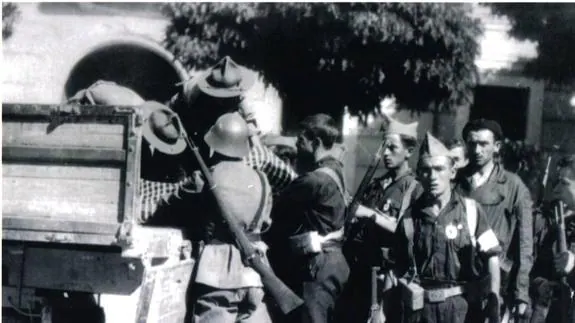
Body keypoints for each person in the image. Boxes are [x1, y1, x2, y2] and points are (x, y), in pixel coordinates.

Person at [154, 112, 274, 322]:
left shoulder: (205, 178)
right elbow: (265, 222)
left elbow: (168, 208)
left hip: (218, 277)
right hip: (255, 276)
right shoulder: (262, 179)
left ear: (214, 145)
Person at [393, 132, 502, 323]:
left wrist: (494, 300)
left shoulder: (471, 212)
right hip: (419, 312)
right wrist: (383, 311)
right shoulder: (410, 218)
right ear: (418, 174)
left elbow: (492, 256)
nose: (432, 176)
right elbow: (395, 269)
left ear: (452, 172)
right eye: (426, 170)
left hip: (461, 310)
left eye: (439, 169)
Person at [171, 56, 298, 194]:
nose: (226, 101)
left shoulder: (238, 98)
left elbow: (250, 124)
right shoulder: (192, 92)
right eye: (220, 98)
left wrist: (252, 139)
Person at [339, 117, 423, 323]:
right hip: (361, 274)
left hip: (389, 280)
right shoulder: (376, 185)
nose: (385, 153)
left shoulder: (414, 189)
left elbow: (411, 234)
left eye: (392, 148)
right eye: (384, 147)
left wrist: (371, 215)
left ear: (409, 152)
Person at [269, 113, 349, 323]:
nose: (297, 144)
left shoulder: (314, 179)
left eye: (301, 140)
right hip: (332, 261)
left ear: (316, 142)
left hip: (318, 265)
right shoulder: (335, 169)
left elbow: (276, 209)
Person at [454, 119, 533, 321]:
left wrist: (520, 293)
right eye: (472, 144)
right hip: (455, 281)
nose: (477, 150)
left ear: (496, 147)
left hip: (494, 283)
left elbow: (525, 246)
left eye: (484, 144)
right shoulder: (454, 182)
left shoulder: (513, 186)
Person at [530, 154, 575, 323]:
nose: (556, 190)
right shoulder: (561, 225)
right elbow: (537, 271)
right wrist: (543, 285)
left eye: (564, 184)